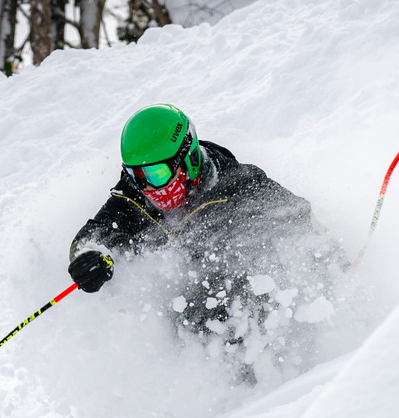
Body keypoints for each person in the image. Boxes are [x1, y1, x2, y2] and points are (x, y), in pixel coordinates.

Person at [67, 104, 329, 337]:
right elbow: (98, 231)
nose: (147, 187)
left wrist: (331, 263)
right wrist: (90, 256)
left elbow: (299, 221)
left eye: (157, 173)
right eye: (136, 175)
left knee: (224, 298)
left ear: (189, 159)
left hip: (237, 313)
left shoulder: (240, 188)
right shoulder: (134, 196)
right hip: (171, 321)